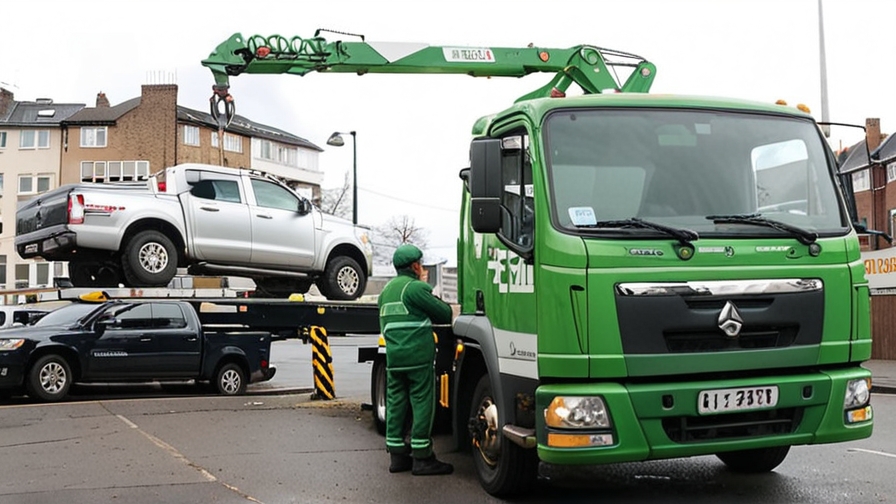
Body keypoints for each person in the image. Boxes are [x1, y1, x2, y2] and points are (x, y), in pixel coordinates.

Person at [378, 243, 454, 476]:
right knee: (422, 402)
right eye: (420, 264)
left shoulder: (386, 291)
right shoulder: (415, 288)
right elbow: (444, 313)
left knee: (396, 402)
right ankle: (422, 457)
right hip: (417, 356)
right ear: (414, 265)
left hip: (394, 356)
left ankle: (397, 456)